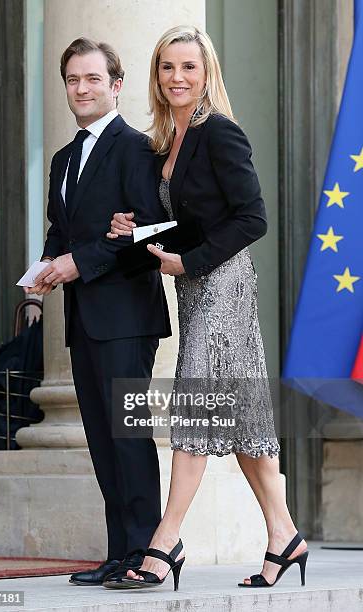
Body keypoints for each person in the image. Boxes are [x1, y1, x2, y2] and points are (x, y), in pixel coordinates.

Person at [104, 25, 308, 591]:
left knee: (197, 407)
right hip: (193, 287)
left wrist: (189, 263)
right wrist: (134, 229)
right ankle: (284, 536)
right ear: (157, 74)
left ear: (207, 72)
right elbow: (189, 219)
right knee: (240, 419)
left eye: (188, 67)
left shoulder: (220, 132)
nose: (177, 78)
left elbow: (253, 217)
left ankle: (164, 541)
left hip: (222, 285)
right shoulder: (167, 139)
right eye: (168, 67)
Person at [24, 37, 171, 586]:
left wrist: (77, 264)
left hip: (128, 317)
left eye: (92, 79)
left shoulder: (136, 148)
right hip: (83, 317)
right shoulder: (64, 158)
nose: (81, 89)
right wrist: (42, 275)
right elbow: (60, 232)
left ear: (116, 85)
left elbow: (147, 232)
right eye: (72, 80)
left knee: (129, 435)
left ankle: (145, 554)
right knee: (102, 439)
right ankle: (119, 553)